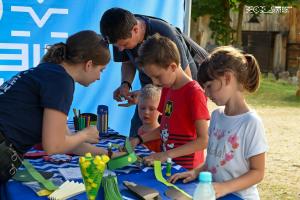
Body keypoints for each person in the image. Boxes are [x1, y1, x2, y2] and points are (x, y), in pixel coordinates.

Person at [0, 30, 111, 183]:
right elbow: (54, 146)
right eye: (101, 70)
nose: (99, 77)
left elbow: (68, 142)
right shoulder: (61, 81)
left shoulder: (49, 72)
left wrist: (108, 154)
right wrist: (85, 134)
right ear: (89, 64)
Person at [169, 46, 268, 199]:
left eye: (209, 86)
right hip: (216, 193)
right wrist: (196, 172)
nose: (206, 94)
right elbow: (213, 161)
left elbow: (258, 172)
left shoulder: (251, 122)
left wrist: (225, 187)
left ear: (227, 78)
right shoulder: (216, 116)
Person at [100, 7, 208, 137]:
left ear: (135, 30)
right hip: (151, 92)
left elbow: (184, 80)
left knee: (172, 132)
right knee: (138, 133)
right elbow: (127, 61)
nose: (121, 49)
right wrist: (125, 84)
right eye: (117, 46)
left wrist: (149, 94)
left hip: (177, 93)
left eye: (124, 44)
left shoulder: (165, 33)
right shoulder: (119, 31)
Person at [131, 34, 210, 169]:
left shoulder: (194, 93)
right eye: (151, 78)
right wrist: (139, 139)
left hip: (187, 170)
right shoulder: (167, 89)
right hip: (169, 165)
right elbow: (165, 129)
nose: (155, 82)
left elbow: (203, 140)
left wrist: (166, 155)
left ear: (173, 67)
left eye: (157, 76)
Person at [137, 84, 161, 152]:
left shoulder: (162, 136)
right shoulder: (140, 129)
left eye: (151, 109)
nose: (146, 112)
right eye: (142, 108)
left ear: (161, 110)